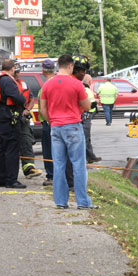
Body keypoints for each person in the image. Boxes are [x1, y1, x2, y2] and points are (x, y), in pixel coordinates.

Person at [40, 54, 97, 210]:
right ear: (71, 66)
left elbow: (43, 109)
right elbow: (87, 106)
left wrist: (52, 122)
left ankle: (60, 201)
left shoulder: (47, 85)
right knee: (78, 165)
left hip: (56, 128)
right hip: (73, 126)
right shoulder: (76, 84)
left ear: (59, 65)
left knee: (58, 165)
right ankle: (83, 202)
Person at [0, 59, 26, 189]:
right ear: (12, 69)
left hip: (1, 115)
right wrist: (23, 99)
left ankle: (1, 179)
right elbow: (16, 97)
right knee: (12, 148)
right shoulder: (8, 80)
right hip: (9, 116)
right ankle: (11, 180)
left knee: (2, 148)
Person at [37, 59, 73, 188]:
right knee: (64, 152)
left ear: (43, 70)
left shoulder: (46, 86)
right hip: (66, 122)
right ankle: (66, 178)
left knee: (49, 151)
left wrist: (49, 122)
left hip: (51, 123)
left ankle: (52, 176)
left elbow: (43, 108)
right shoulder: (63, 82)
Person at [13, 66, 42, 179]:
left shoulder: (24, 84)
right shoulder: (7, 84)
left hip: (23, 117)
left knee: (26, 141)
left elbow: (30, 100)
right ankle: (9, 172)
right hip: (9, 118)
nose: (17, 74)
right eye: (15, 72)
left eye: (18, 72)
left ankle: (29, 168)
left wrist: (27, 110)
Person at [79, 72, 101, 164]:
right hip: (86, 116)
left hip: (84, 116)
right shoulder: (86, 90)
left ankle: (90, 156)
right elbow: (90, 105)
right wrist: (96, 102)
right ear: (88, 81)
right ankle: (89, 157)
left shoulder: (83, 88)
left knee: (86, 137)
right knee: (86, 137)